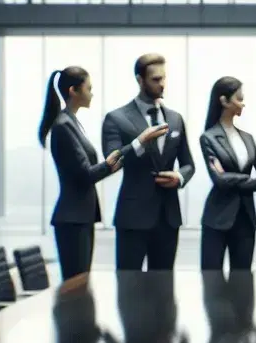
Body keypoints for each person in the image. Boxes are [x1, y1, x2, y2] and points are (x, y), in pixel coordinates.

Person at [101, 53, 192, 271]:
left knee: (164, 289)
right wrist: (140, 142)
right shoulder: (116, 118)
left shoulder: (175, 118)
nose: (162, 84)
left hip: (168, 218)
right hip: (133, 217)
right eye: (155, 79)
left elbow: (189, 163)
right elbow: (112, 161)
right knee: (127, 287)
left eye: (163, 78)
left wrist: (179, 177)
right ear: (140, 80)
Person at [39, 65, 125, 280]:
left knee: (80, 282)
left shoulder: (71, 123)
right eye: (88, 88)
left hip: (80, 217)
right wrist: (112, 162)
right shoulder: (63, 126)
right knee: (75, 284)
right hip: (72, 219)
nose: (92, 93)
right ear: (73, 91)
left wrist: (112, 164)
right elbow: (84, 175)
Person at [198, 76, 256, 272]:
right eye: (239, 98)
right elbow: (219, 180)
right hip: (217, 218)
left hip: (246, 218)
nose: (243, 104)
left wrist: (232, 178)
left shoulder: (248, 139)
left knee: (243, 280)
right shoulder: (209, 138)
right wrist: (250, 180)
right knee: (212, 281)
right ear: (224, 101)